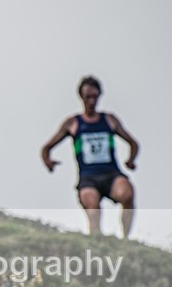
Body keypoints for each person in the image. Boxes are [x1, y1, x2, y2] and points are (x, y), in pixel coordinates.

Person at [41, 75, 139, 238]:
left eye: (95, 97)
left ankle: (125, 239)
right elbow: (46, 148)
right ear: (81, 97)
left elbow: (133, 143)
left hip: (111, 174)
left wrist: (131, 160)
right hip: (88, 178)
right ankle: (96, 240)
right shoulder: (73, 123)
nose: (92, 101)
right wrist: (48, 162)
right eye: (88, 97)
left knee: (128, 193)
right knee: (92, 207)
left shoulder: (109, 120)